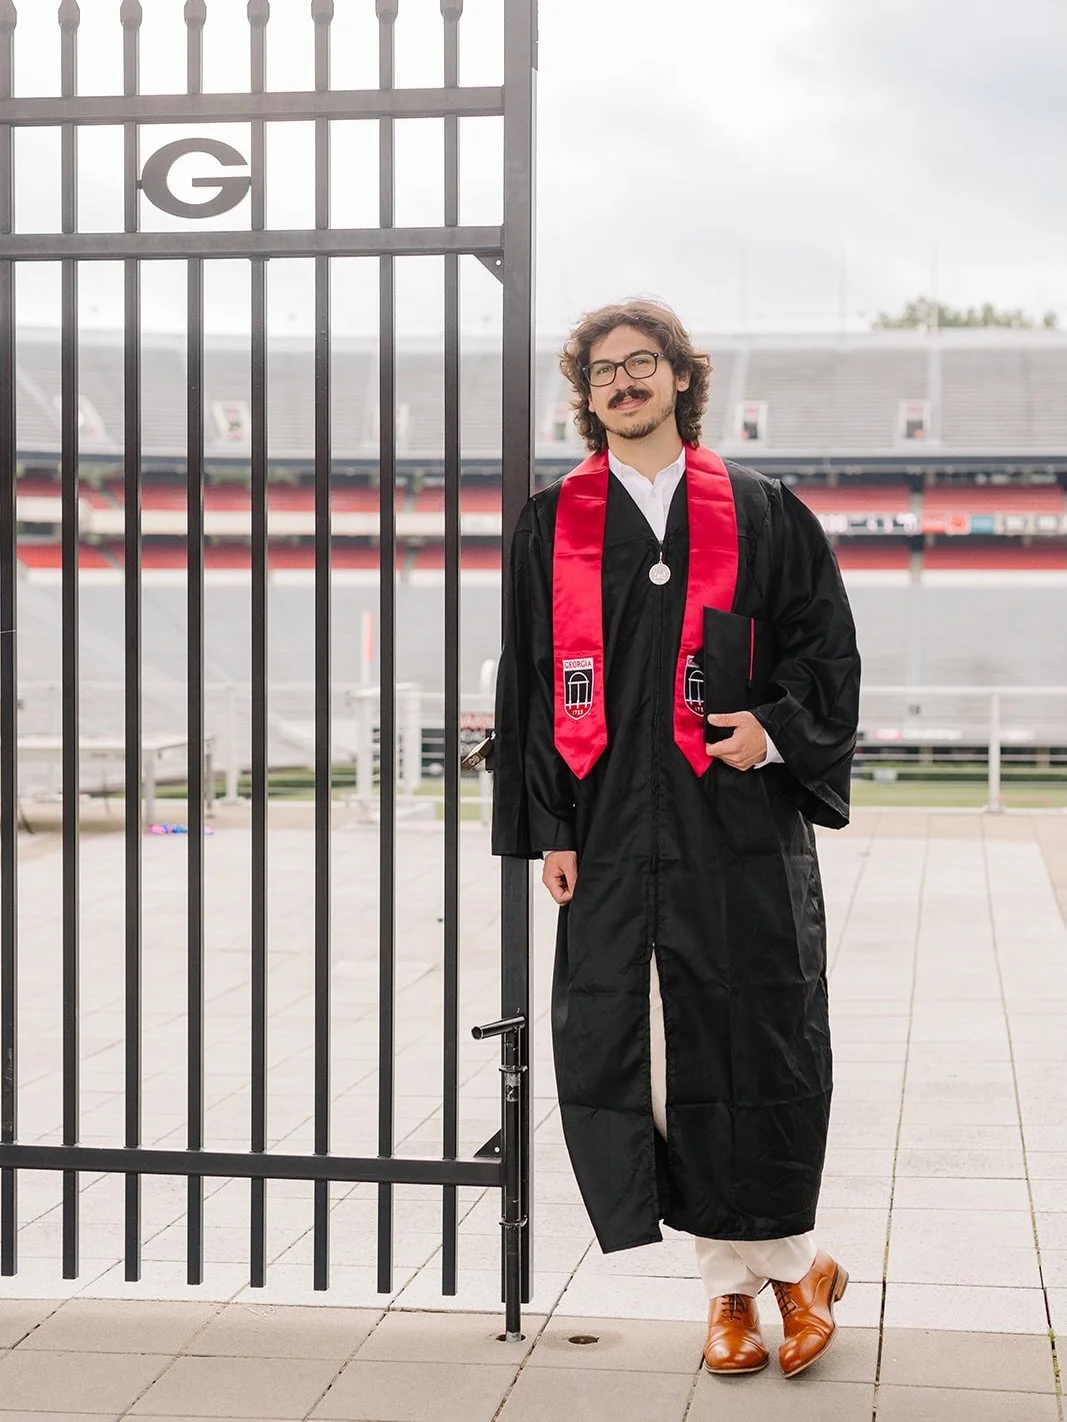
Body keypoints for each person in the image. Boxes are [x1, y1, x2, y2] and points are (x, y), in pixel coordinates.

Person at [491, 298, 861, 1378]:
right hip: (608, 830)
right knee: (643, 1056)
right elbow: (526, 686)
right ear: (587, 393)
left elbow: (823, 654)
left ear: (679, 379)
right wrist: (548, 828)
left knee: (754, 1049)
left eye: (640, 362)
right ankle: (783, 1275)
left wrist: (773, 728)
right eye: (603, 369)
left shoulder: (760, 509)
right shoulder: (551, 522)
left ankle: (744, 1294)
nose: (622, 381)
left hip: (737, 825)